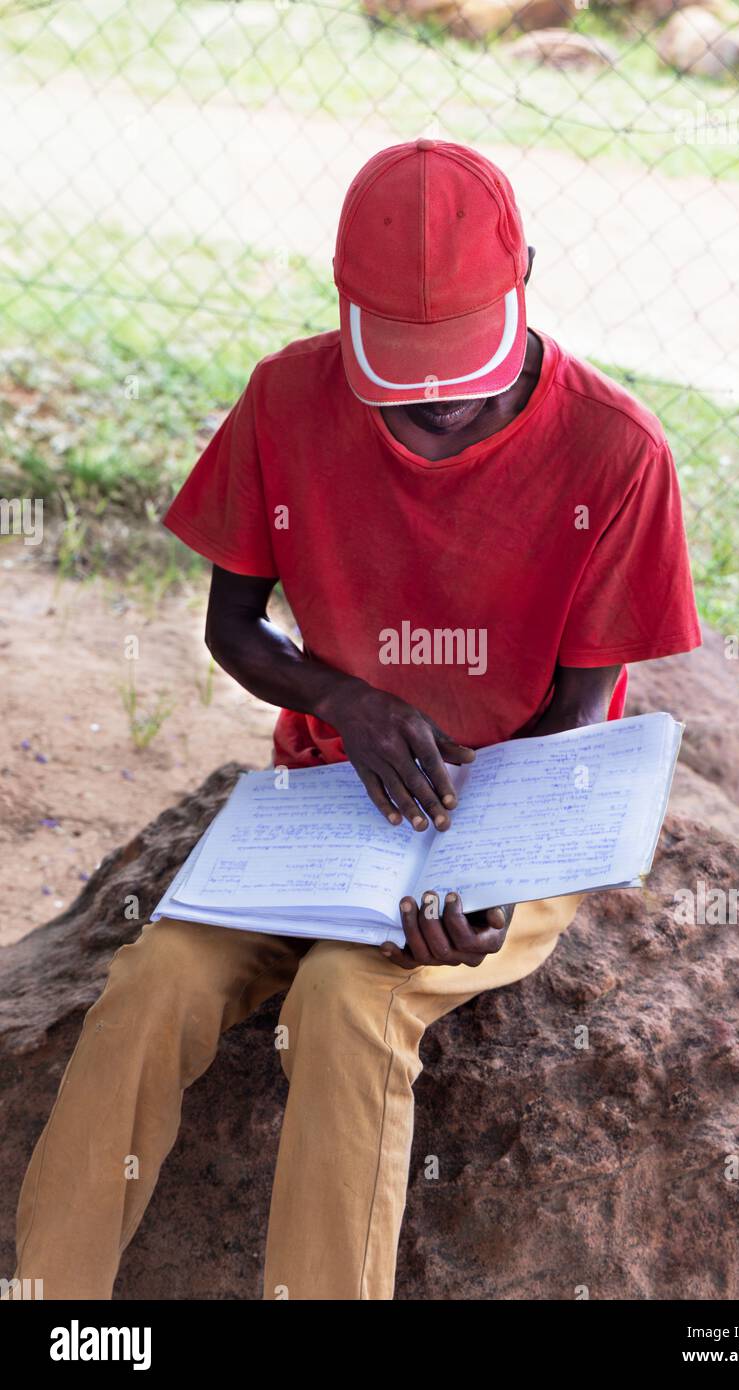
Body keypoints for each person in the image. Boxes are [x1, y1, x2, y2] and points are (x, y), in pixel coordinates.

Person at [11, 138, 701, 1300]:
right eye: (406, 373)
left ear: (526, 273)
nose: (435, 410)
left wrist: (492, 874)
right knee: (151, 985)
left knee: (349, 999)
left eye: (461, 372)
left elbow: (582, 719)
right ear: (344, 303)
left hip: (518, 809)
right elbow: (236, 631)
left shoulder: (615, 452)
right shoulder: (288, 398)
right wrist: (342, 698)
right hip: (318, 815)